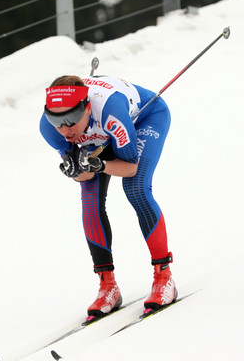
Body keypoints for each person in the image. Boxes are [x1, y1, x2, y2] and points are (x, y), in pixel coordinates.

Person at [39, 74, 177, 319]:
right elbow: (85, 178)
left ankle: (164, 277)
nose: (64, 129)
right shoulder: (52, 130)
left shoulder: (110, 112)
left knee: (135, 188)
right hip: (98, 134)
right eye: (55, 119)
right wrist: (77, 170)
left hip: (142, 120)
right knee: (90, 198)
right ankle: (107, 286)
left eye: (70, 119)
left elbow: (129, 168)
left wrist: (98, 164)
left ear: (86, 107)